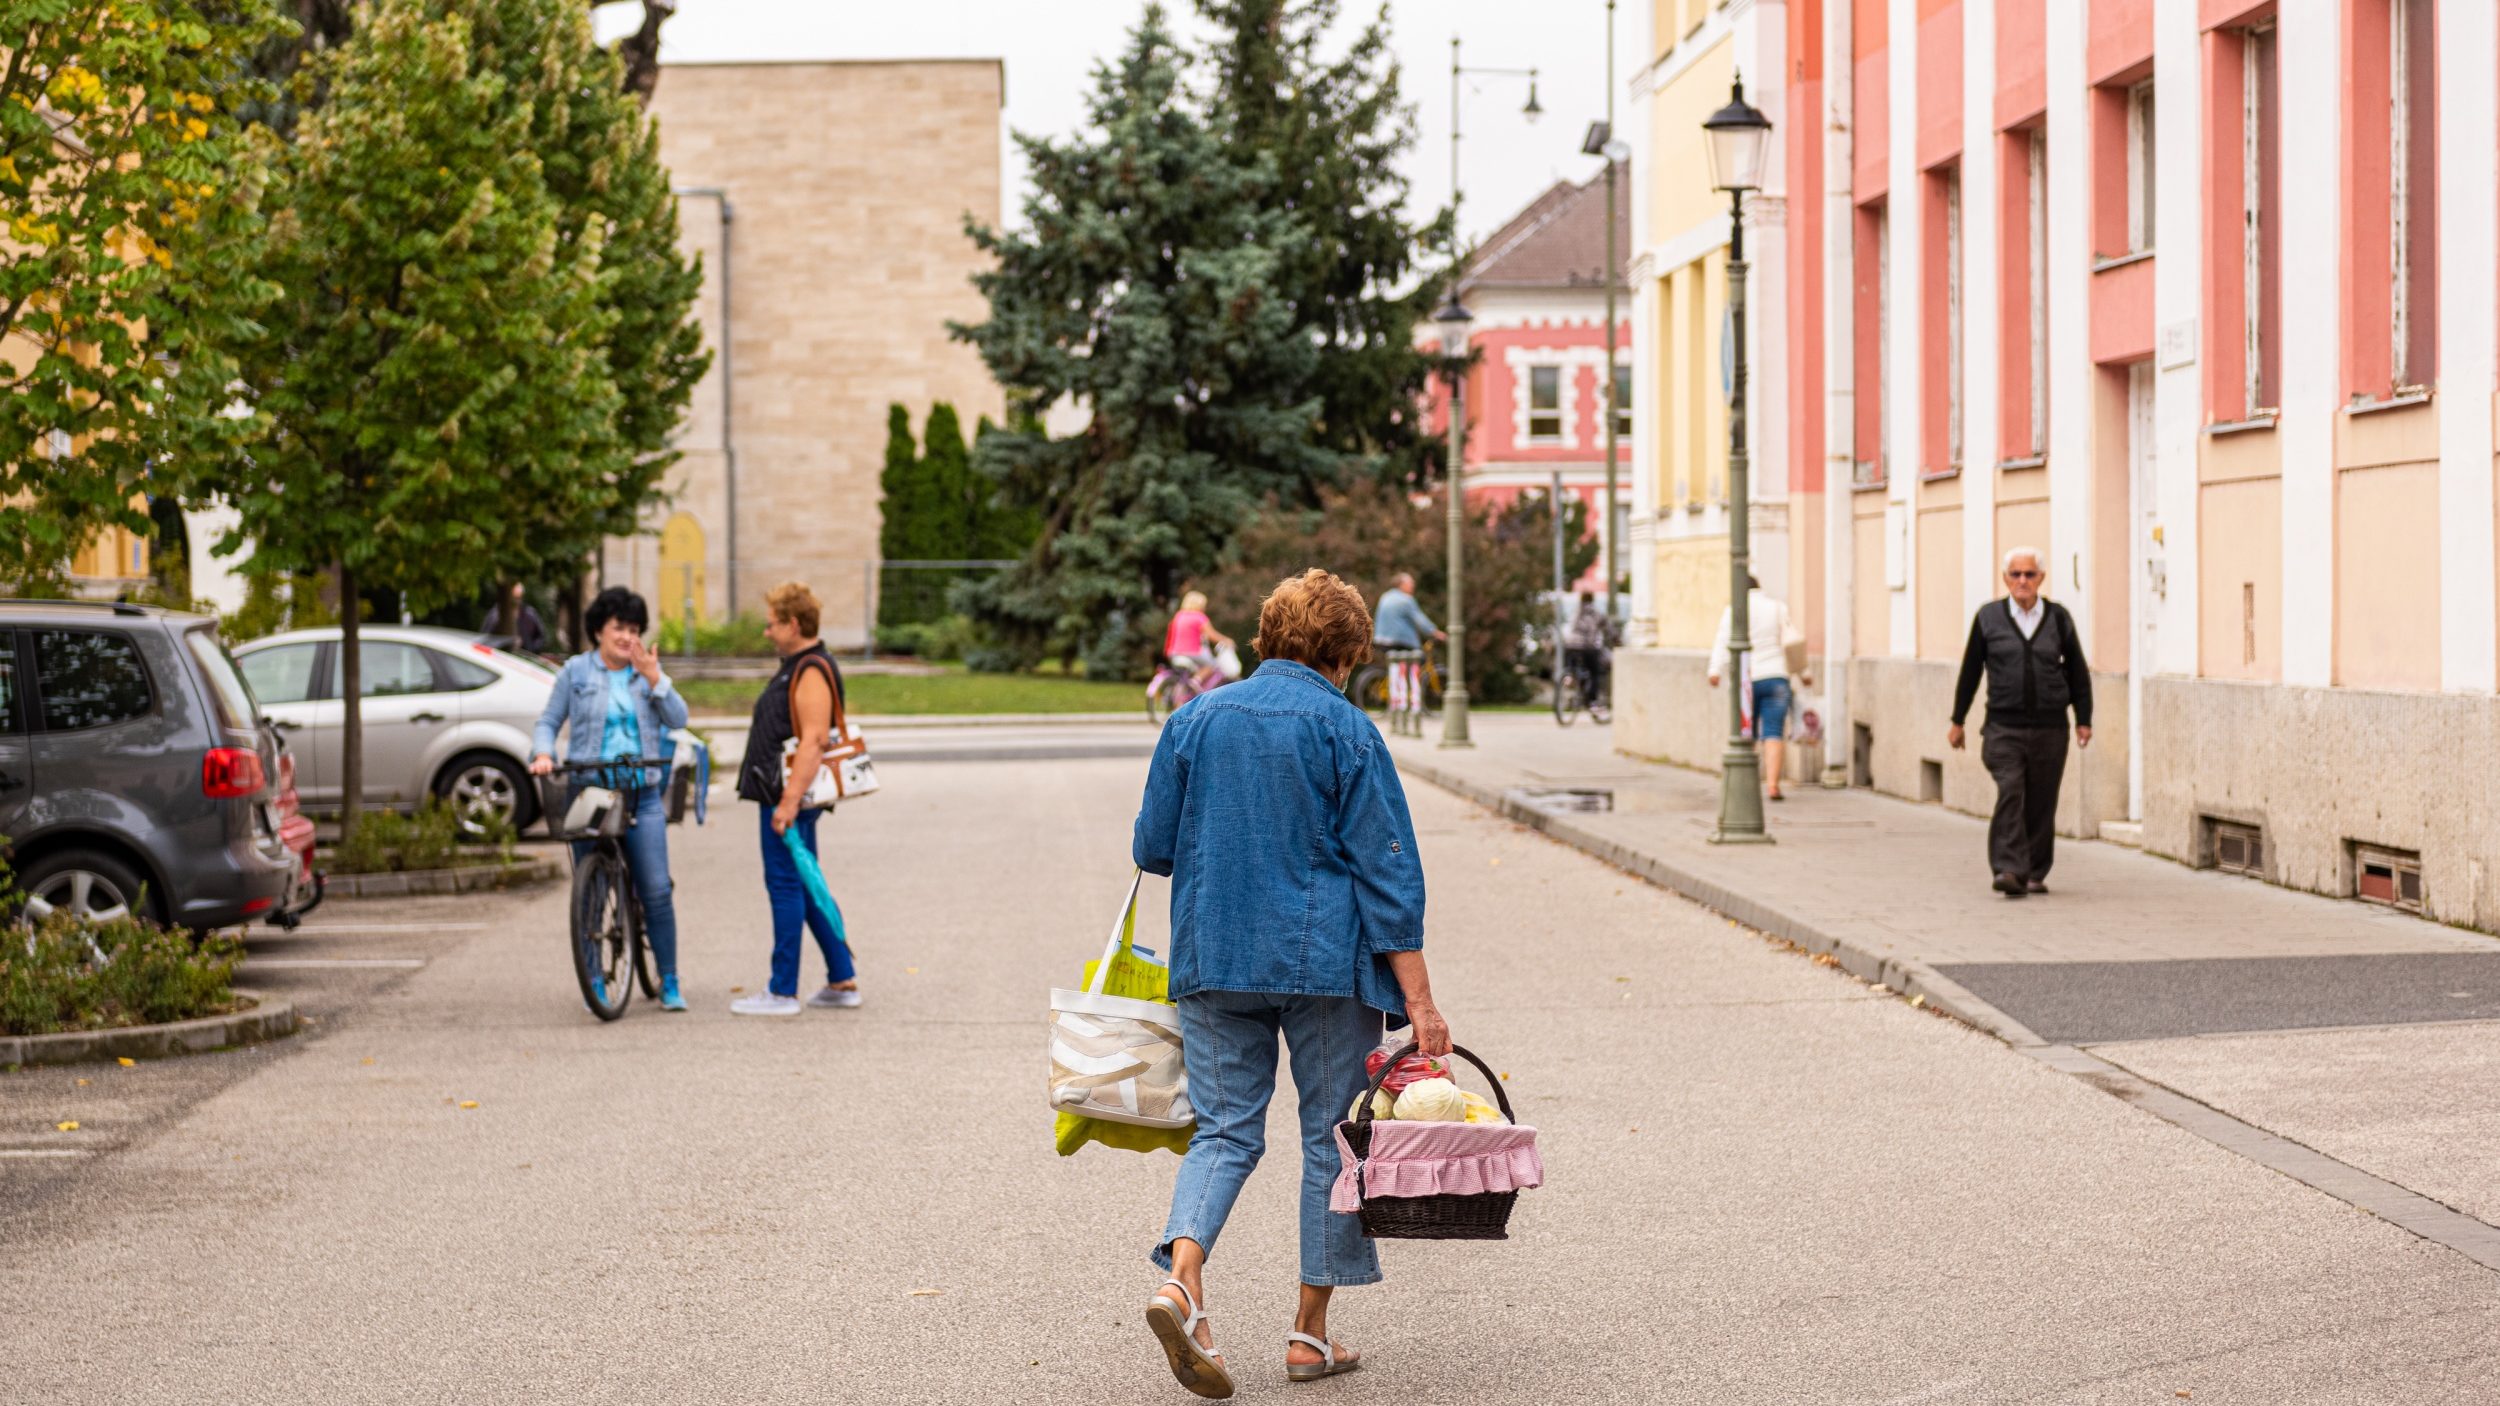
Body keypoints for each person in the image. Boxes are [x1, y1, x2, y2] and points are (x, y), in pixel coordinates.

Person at [1132, 568, 1451, 1399]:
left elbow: (1152, 846)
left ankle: (1183, 1278)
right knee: (1329, 1142)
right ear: (1344, 658)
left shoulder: (1192, 719)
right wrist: (1420, 1004)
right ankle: (1309, 1336)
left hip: (1212, 954)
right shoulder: (1347, 731)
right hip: (1321, 965)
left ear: (1267, 638)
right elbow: (1389, 876)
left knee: (1225, 1133)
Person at [530, 586, 690, 1011]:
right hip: (591, 790)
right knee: (592, 892)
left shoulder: (645, 672)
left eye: (634, 629)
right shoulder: (576, 673)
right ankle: (595, 979)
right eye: (619, 627)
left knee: (655, 889)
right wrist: (543, 753)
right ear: (599, 629)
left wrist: (656, 678)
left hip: (642, 791)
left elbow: (679, 718)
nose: (626, 636)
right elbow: (548, 721)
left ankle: (669, 979)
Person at [729, 582, 861, 1016]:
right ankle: (841, 979)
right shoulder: (801, 664)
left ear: (793, 624)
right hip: (788, 797)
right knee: (805, 884)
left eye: (771, 625)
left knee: (785, 885)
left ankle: (781, 990)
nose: (766, 633)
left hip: (789, 800)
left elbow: (814, 740)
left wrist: (786, 804)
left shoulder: (809, 669)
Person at [1950, 547, 2093, 897]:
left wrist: (2083, 719)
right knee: (2011, 790)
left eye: (2029, 574)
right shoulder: (1988, 618)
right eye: (2015, 575)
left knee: (2042, 800)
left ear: (2041, 578)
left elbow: (2077, 671)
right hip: (2003, 727)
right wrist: (1958, 720)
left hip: (2050, 727)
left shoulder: (2058, 618)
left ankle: (2035, 871)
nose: (2022, 581)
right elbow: (1970, 671)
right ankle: (2009, 868)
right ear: (2005, 579)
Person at [1707, 575, 1811, 801]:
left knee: (1746, 733)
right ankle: (1773, 785)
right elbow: (1791, 642)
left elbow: (1722, 641)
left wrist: (1715, 670)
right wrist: (1804, 674)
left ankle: (1747, 784)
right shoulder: (1776, 608)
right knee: (1773, 730)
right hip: (1776, 677)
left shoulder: (1733, 610)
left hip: (1746, 680)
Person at [1370, 571, 1443, 715]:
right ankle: (1409, 704)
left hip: (1382, 640)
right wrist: (1435, 632)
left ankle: (1397, 701)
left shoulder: (1386, 596)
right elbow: (1419, 620)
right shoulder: (1406, 599)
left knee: (1396, 667)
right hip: (1401, 641)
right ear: (1402, 585)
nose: (1413, 586)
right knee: (1416, 662)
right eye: (1410, 583)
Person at [1163, 590, 1232, 687]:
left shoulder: (1179, 615)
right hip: (1192, 652)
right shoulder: (1199, 617)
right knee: (1212, 664)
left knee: (1194, 669)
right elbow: (1211, 635)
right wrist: (1226, 640)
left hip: (1174, 653)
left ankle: (1187, 687)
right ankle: (1196, 681)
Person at [1561, 590, 1612, 706]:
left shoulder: (1575, 611)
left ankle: (1569, 676)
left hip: (1570, 644)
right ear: (1592, 600)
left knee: (1571, 664)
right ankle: (1593, 701)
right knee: (1594, 673)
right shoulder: (1596, 613)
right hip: (1587, 646)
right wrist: (1616, 638)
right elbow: (1609, 629)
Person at [486, 582, 547, 656]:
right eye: (515, 598)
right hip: (500, 656)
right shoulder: (497, 613)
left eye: (519, 598)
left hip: (526, 656)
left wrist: (531, 649)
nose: (517, 601)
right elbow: (486, 636)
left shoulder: (529, 614)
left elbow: (541, 637)